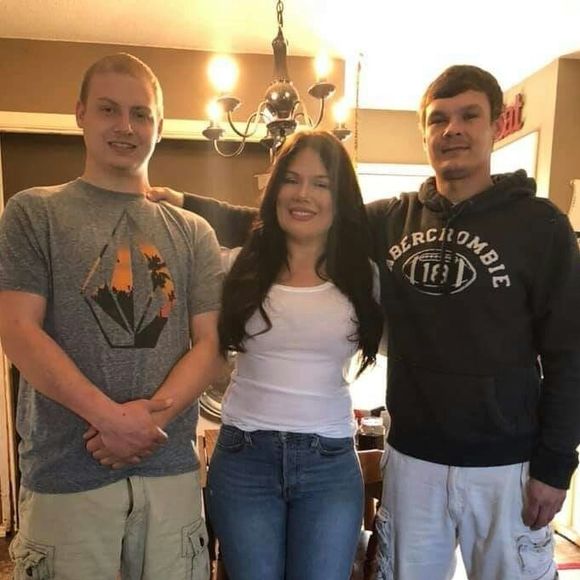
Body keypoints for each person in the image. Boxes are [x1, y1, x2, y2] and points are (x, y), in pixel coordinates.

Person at [150, 65, 580, 580]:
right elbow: (290, 219)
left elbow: (569, 352)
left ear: (495, 126)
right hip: (414, 459)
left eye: (469, 116)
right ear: (424, 131)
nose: (453, 130)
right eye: (439, 119)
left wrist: (556, 464)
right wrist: (188, 204)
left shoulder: (541, 226)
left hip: (506, 462)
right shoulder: (390, 220)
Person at [0, 53, 223, 580]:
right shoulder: (33, 212)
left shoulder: (195, 232)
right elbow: (17, 329)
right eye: (108, 109)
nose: (126, 126)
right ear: (80, 113)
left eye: (141, 114)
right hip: (65, 475)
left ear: (159, 126)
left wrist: (147, 425)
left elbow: (211, 346)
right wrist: (111, 419)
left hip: (169, 473)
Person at [205, 131, 383, 580]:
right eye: (291, 179)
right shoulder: (235, 267)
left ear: (341, 198)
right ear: (274, 189)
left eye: (321, 184)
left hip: (330, 463)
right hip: (245, 457)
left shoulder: (365, 278)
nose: (303, 194)